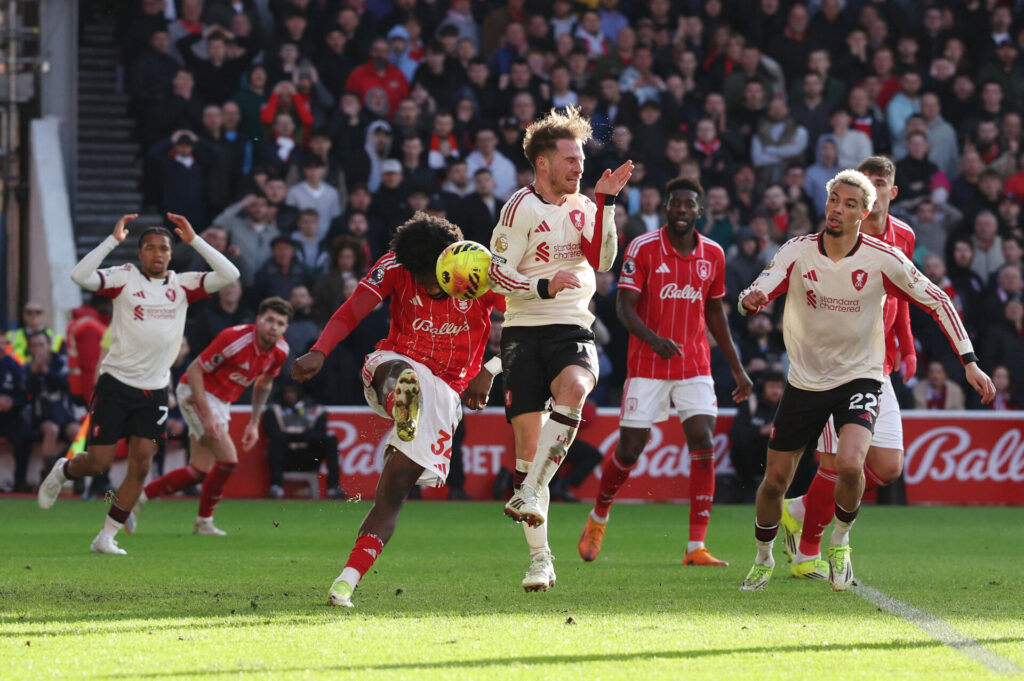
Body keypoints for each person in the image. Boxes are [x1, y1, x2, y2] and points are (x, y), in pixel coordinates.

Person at [736, 170, 994, 592]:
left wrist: (969, 361)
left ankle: (840, 541)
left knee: (852, 464)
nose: (838, 209)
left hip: (861, 377)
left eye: (850, 204)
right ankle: (764, 557)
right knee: (775, 482)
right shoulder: (798, 250)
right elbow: (759, 287)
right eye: (834, 200)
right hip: (806, 382)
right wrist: (750, 302)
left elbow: (938, 300)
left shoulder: (883, 257)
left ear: (865, 212)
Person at [290, 212, 504, 608]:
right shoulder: (394, 266)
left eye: (432, 277)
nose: (428, 286)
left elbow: (531, 324)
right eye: (419, 278)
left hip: (446, 390)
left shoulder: (478, 269)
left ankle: (345, 582)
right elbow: (352, 310)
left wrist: (491, 370)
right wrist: (320, 351)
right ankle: (403, 403)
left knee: (393, 492)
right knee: (396, 370)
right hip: (397, 360)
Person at [488, 105, 632, 591]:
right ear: (543, 163)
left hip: (572, 326)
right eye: (571, 160)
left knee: (575, 387)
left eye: (581, 160)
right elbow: (497, 275)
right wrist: (544, 286)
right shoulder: (519, 208)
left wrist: (606, 203)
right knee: (529, 449)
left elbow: (604, 261)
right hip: (523, 331)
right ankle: (540, 559)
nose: (579, 167)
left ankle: (528, 490)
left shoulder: (585, 206)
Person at [38, 213, 240, 555]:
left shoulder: (183, 285)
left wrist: (194, 240)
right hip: (116, 383)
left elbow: (230, 274)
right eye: (150, 247)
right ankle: (64, 469)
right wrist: (112, 241)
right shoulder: (124, 278)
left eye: (164, 248)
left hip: (155, 389)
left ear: (171, 254)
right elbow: (79, 276)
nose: (157, 253)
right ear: (140, 252)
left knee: (142, 463)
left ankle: (106, 536)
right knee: (99, 462)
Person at [577, 177, 753, 567]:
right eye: (676, 203)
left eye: (689, 205)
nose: (682, 210)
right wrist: (654, 340)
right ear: (666, 208)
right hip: (648, 364)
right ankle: (598, 517)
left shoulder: (713, 254)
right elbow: (623, 308)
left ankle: (696, 546)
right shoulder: (642, 248)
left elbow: (715, 312)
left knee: (703, 441)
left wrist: (737, 367)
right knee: (629, 450)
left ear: (700, 212)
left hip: (694, 365)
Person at [780, 156, 919, 581]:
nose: (873, 187)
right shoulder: (836, 235)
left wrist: (907, 345)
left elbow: (905, 293)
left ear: (890, 192)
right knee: (833, 464)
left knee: (889, 465)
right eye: (866, 181)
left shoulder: (904, 236)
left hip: (878, 363)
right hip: (833, 364)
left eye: (880, 182)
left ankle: (799, 509)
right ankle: (807, 555)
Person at [130, 297, 292, 536]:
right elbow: (194, 370)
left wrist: (253, 422)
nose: (273, 327)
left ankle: (138, 499)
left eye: (280, 323)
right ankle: (204, 521)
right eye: (269, 320)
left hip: (221, 401)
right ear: (258, 320)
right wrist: (207, 416)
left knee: (198, 471)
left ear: (285, 328)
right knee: (229, 459)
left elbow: (264, 383)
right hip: (196, 392)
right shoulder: (234, 339)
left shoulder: (281, 351)